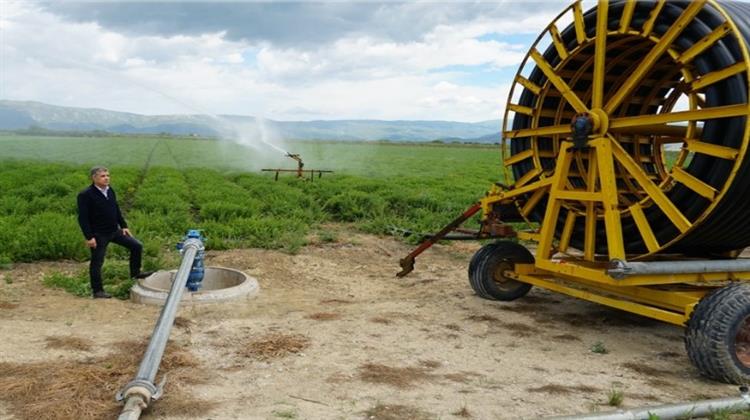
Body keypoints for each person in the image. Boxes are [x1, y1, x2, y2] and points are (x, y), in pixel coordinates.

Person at [77, 166, 153, 298]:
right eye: (103, 176)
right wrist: (89, 237)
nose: (106, 178)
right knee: (97, 262)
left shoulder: (110, 190)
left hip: (114, 231)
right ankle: (98, 291)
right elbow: (82, 218)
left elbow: (116, 209)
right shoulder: (85, 195)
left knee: (136, 246)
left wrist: (124, 226)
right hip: (99, 234)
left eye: (108, 175)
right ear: (94, 178)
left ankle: (135, 273)